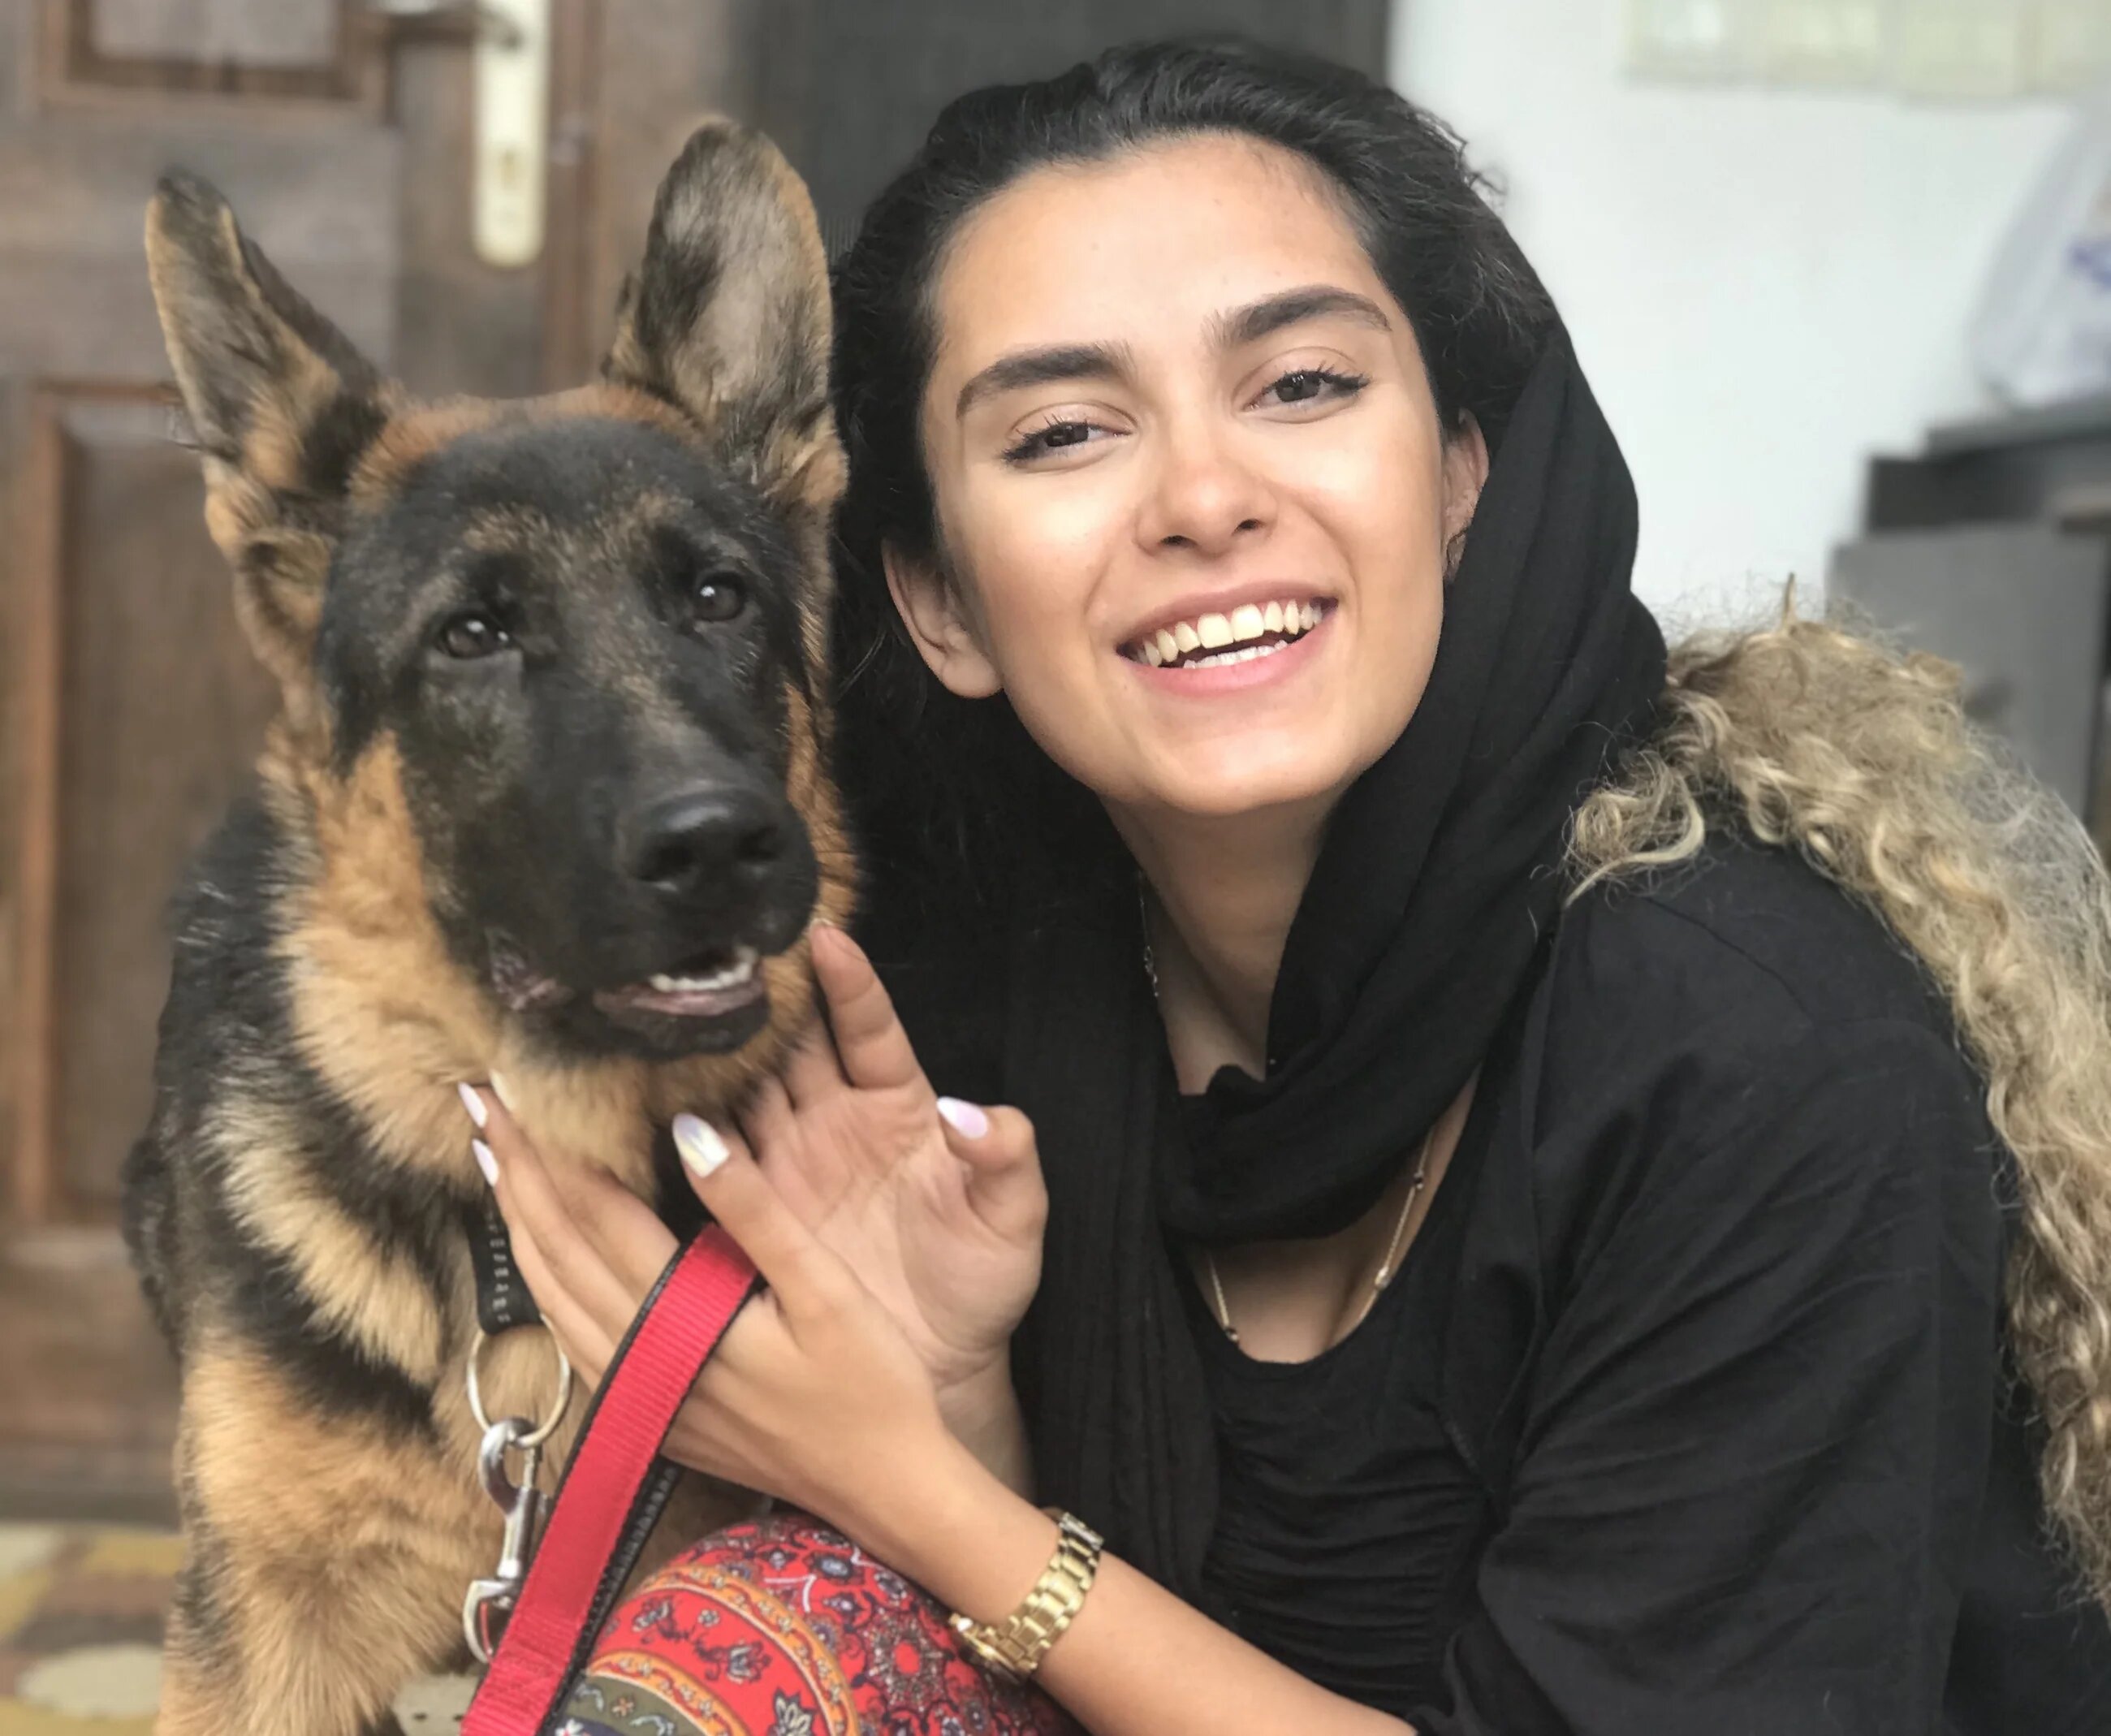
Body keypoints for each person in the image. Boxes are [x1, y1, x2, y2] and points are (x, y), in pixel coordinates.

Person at [472, 37, 2111, 1735]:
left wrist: (910, 1483)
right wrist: (958, 1394)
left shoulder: (1755, 1048)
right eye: (1063, 431)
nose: (1203, 499)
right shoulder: (996, 984)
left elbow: (1007, 1575)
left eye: (1303, 387)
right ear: (942, 599)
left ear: (1462, 472)